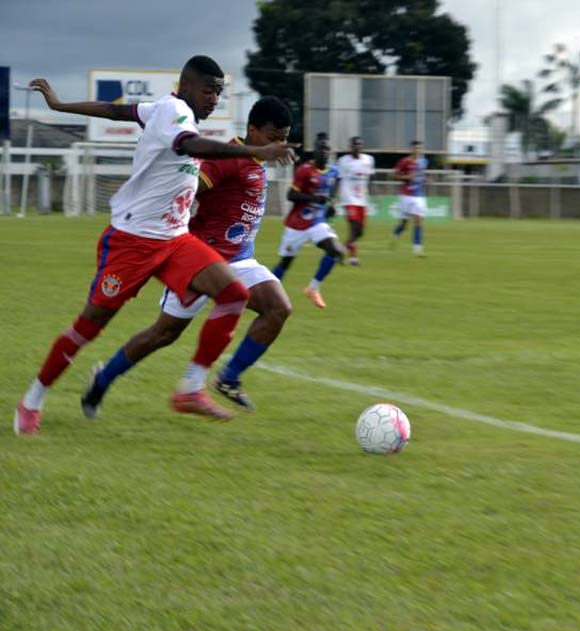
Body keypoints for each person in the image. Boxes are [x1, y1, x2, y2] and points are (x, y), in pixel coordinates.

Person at [13, 56, 296, 435]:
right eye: (210, 90)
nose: (215, 99)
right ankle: (32, 399)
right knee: (90, 326)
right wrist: (253, 152)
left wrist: (61, 105)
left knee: (232, 294)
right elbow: (189, 145)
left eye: (219, 92)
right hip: (132, 241)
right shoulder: (175, 111)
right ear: (189, 85)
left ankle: (192, 390)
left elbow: (119, 111)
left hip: (175, 239)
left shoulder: (163, 108)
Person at [80, 96, 295, 417]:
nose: (279, 145)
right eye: (272, 137)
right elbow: (189, 189)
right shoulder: (227, 159)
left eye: (284, 138)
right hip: (202, 261)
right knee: (163, 334)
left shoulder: (256, 163)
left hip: (239, 260)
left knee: (278, 308)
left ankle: (227, 378)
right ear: (252, 130)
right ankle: (103, 379)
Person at [272, 134, 346, 308]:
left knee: (335, 250)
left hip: (317, 223)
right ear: (315, 151)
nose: (324, 152)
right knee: (286, 262)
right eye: (321, 149)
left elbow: (333, 189)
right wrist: (313, 198)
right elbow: (291, 195)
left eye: (327, 149)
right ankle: (266, 292)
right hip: (296, 224)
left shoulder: (334, 171)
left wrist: (331, 204)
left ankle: (313, 289)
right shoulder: (305, 170)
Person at [336, 136, 375, 265]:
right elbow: (338, 179)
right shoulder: (343, 161)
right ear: (350, 147)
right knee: (353, 227)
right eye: (355, 145)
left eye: (359, 145)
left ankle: (342, 250)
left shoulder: (368, 160)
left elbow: (370, 178)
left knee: (360, 232)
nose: (357, 147)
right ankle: (352, 257)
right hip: (348, 199)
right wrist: (333, 196)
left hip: (362, 200)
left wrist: (374, 192)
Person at [392, 140, 428, 255]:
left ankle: (417, 249)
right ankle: (396, 234)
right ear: (411, 149)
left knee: (418, 220)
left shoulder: (424, 161)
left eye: (419, 148)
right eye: (415, 148)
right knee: (404, 223)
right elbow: (394, 176)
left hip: (419, 196)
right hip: (406, 196)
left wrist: (426, 179)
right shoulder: (404, 161)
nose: (417, 150)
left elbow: (421, 175)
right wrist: (407, 177)